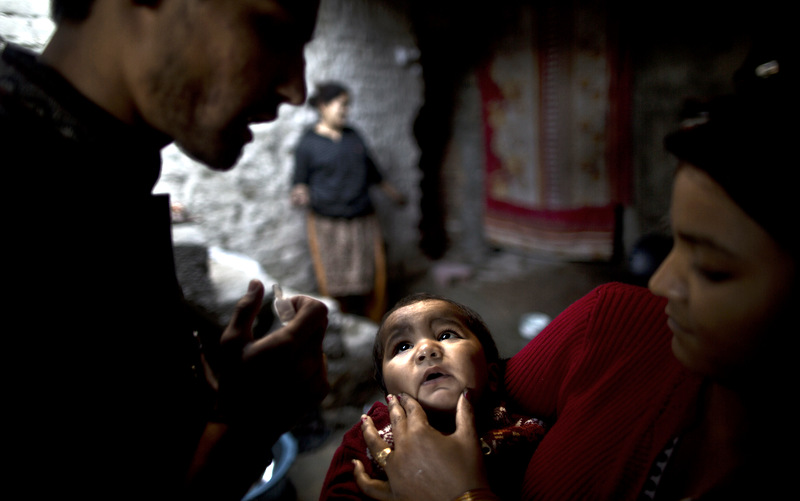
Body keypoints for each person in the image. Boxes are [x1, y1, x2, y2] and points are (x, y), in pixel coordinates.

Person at [352, 43, 798, 500]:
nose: (661, 283)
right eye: (675, 242)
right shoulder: (613, 324)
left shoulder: (510, 437)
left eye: (711, 269)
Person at [1, 1, 329, 499]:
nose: (296, 89)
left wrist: (226, 410)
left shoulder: (103, 176)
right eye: (273, 30)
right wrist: (250, 423)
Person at [320, 293, 547, 500]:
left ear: (492, 376)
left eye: (446, 335)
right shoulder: (369, 439)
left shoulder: (523, 430)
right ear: (390, 394)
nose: (426, 349)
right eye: (402, 346)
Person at [291, 82, 406, 322]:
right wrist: (299, 193)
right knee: (334, 276)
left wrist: (393, 193)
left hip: (361, 216)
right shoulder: (308, 143)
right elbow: (300, 180)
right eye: (340, 105)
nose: (345, 110)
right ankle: (341, 321)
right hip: (327, 221)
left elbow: (373, 170)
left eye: (347, 105)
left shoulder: (353, 136)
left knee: (368, 274)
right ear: (323, 106)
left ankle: (373, 322)